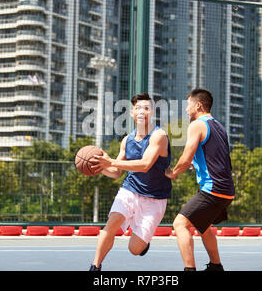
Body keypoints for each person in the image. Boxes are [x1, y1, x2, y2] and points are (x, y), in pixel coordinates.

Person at [87, 92, 172, 271]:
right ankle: (95, 267)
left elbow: (145, 165)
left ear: (153, 113)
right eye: (137, 108)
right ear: (132, 113)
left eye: (146, 108)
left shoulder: (159, 136)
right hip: (130, 190)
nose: (142, 111)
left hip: (154, 199)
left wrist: (110, 161)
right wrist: (100, 167)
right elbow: (116, 172)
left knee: (134, 249)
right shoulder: (127, 140)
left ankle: (142, 241)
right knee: (110, 226)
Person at [165, 88, 235, 271]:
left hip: (213, 189)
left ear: (198, 105)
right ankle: (216, 266)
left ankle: (190, 269)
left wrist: (174, 172)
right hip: (226, 190)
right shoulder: (219, 126)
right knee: (203, 226)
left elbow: (186, 156)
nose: (187, 109)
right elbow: (215, 157)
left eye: (188, 105)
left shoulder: (196, 125)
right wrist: (195, 165)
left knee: (179, 223)